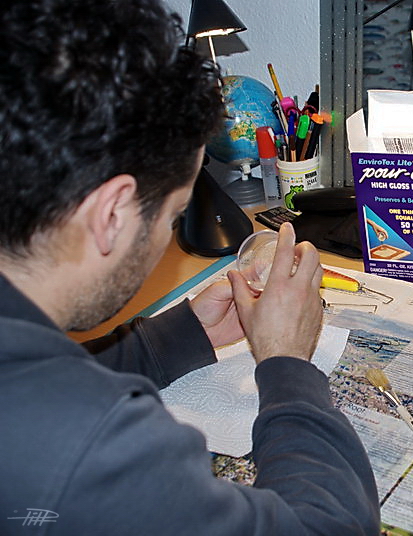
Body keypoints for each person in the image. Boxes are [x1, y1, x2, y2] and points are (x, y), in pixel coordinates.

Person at [0, 0, 380, 534]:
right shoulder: (92, 446)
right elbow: (330, 527)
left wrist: (172, 339)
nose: (170, 234)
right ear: (111, 214)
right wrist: (287, 362)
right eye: (174, 216)